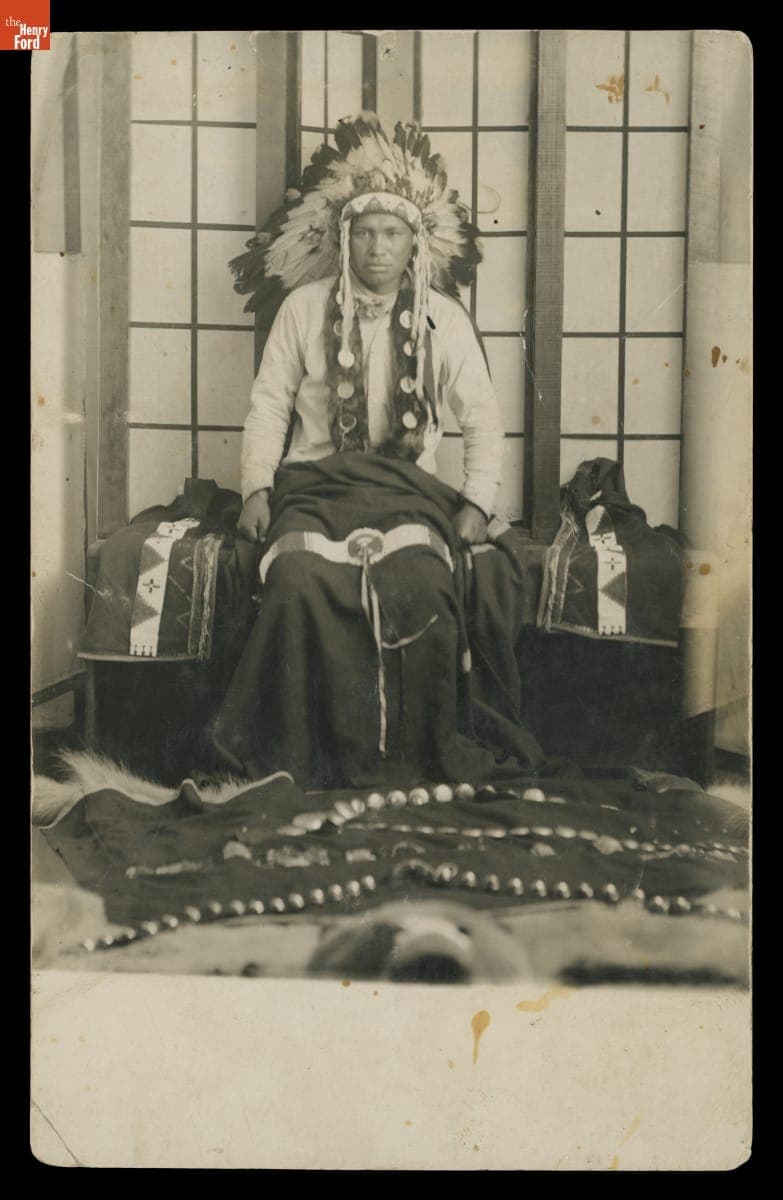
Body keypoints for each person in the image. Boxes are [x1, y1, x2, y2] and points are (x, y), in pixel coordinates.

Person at [212, 113, 529, 790]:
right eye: (365, 232)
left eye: (391, 233)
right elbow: (269, 404)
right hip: (314, 488)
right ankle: (302, 757)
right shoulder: (303, 308)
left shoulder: (443, 317)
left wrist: (477, 503)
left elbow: (482, 417)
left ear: (415, 241)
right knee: (294, 582)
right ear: (343, 236)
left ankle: (410, 759)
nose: (377, 248)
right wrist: (257, 490)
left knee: (423, 585)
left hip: (406, 494)